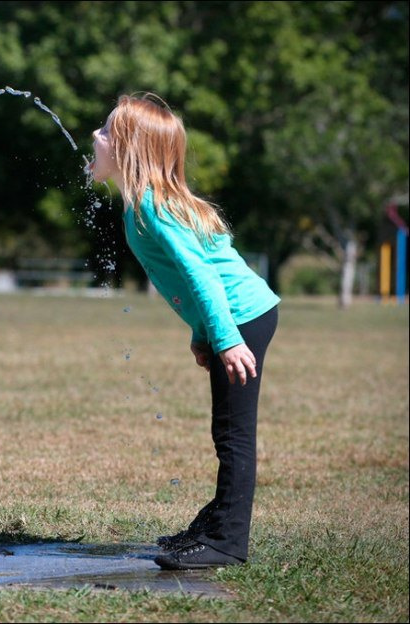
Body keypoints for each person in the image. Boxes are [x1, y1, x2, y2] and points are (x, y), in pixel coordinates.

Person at [88, 93, 280, 570]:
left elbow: (202, 275)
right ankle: (213, 525)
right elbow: (194, 279)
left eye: (108, 132)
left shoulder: (151, 206)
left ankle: (228, 542)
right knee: (226, 431)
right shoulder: (144, 204)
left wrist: (227, 337)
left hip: (241, 319)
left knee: (233, 434)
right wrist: (203, 334)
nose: (96, 136)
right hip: (232, 320)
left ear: (130, 149)